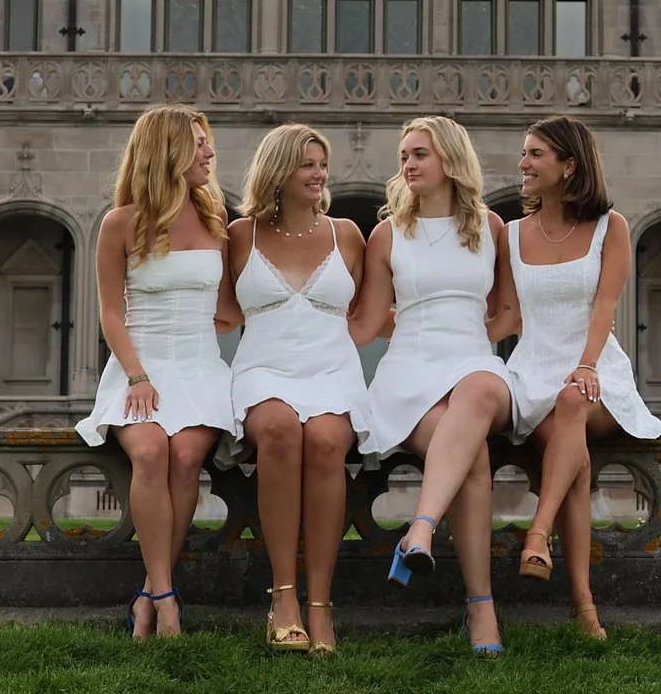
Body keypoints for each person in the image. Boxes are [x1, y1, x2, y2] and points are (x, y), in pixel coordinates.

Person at [352, 115, 517, 656]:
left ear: (450, 158)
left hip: (471, 361)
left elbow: (506, 313)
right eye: (404, 155)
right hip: (409, 374)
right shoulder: (386, 233)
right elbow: (370, 322)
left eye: (419, 153)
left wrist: (465, 338)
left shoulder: (490, 227)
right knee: (474, 461)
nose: (408, 164)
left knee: (483, 385)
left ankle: (420, 528)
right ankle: (481, 610)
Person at [499, 115, 661, 639]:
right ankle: (583, 604)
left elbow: (605, 307)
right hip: (532, 373)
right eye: (524, 153)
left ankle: (538, 533)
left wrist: (588, 364)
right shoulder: (509, 234)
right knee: (572, 463)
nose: (522, 164)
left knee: (572, 405)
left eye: (534, 155)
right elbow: (507, 316)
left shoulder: (610, 227)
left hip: (595, 374)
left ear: (569, 165)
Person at [78, 105, 234, 639]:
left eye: (207, 142)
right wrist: (139, 377)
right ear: (166, 152)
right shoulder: (120, 222)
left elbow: (233, 308)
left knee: (187, 458)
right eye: (197, 143)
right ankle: (166, 598)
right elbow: (110, 313)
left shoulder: (218, 221)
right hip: (138, 364)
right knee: (150, 452)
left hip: (200, 365)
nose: (209, 152)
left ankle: (148, 591)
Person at [221, 123, 368, 656]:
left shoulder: (348, 234)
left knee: (328, 442)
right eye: (308, 163)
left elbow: (373, 316)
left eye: (321, 164)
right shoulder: (240, 236)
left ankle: (321, 605)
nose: (320, 173)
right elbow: (214, 313)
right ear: (280, 170)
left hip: (332, 368)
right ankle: (283, 598)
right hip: (263, 367)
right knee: (280, 430)